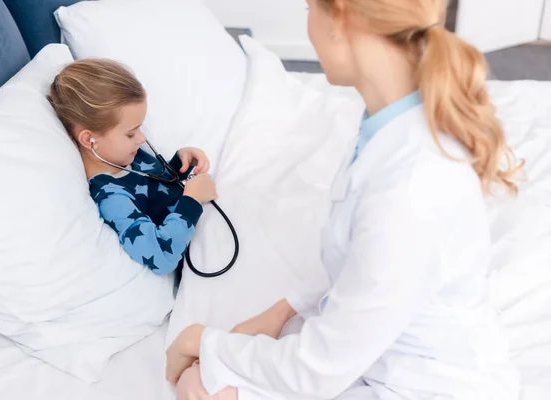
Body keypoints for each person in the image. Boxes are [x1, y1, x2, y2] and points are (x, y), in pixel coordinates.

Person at [166, 0, 524, 399]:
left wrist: (201, 341)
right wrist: (282, 308)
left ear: (340, 17)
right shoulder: (390, 124)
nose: (308, 25)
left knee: (200, 388)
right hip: (384, 354)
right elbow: (360, 254)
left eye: (307, 9)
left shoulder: (409, 189)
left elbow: (318, 369)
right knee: (205, 380)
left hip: (426, 384)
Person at [48, 59, 217, 277]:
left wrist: (179, 165)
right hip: (206, 256)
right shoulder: (111, 196)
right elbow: (162, 258)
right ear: (89, 139)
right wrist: (192, 200)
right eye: (131, 133)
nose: (141, 138)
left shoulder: (125, 156)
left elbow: (157, 191)